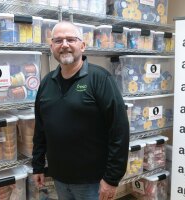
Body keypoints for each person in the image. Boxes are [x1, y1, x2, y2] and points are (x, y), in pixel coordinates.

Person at [32, 21, 130, 200]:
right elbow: (40, 128)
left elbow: (120, 131)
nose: (65, 45)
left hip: (93, 182)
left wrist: (112, 179)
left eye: (71, 39)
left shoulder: (100, 79)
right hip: (59, 177)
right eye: (58, 40)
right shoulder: (46, 83)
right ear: (51, 46)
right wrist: (38, 165)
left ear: (82, 45)